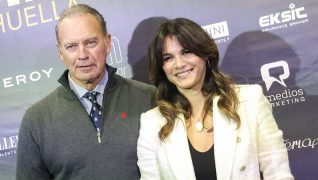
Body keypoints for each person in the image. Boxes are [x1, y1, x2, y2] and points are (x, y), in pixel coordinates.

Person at [137, 18, 294, 180]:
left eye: (186, 52)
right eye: (168, 58)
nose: (179, 64)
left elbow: (279, 174)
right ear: (162, 67)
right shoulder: (152, 123)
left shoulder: (249, 100)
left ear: (205, 54)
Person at [16, 4, 155, 179]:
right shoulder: (36, 120)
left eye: (90, 42)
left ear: (108, 43)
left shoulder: (149, 98)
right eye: (71, 46)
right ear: (60, 52)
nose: (82, 55)